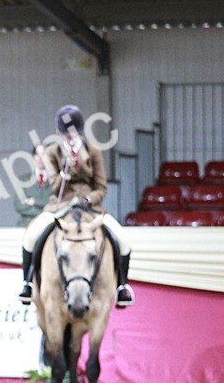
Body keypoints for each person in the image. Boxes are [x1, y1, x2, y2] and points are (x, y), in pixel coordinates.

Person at [18, 105, 134, 308]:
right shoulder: (53, 152)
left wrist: (89, 200)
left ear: (80, 132)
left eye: (73, 135)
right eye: (66, 136)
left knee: (122, 240)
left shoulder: (93, 151)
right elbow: (54, 188)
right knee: (31, 236)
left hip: (90, 206)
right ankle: (27, 283)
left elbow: (101, 187)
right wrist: (64, 173)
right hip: (62, 205)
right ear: (59, 134)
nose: (70, 140)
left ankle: (122, 286)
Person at [14, 144, 54, 227]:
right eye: (37, 154)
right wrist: (44, 209)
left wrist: (34, 201)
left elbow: (56, 204)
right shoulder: (23, 180)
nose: (40, 158)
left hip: (48, 226)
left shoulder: (56, 180)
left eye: (43, 154)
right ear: (33, 157)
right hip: (25, 225)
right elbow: (19, 205)